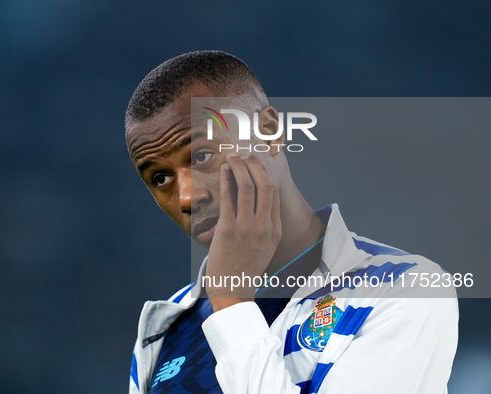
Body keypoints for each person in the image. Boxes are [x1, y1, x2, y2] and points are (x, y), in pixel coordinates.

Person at [125, 50, 458, 393]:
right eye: (161, 178)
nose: (186, 198)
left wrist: (232, 301)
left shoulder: (405, 290)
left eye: (202, 155)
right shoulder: (164, 330)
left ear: (268, 131)